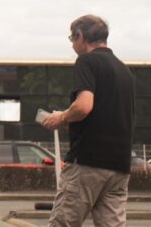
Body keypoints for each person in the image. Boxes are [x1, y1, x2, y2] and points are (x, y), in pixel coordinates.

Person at [41, 15, 135, 227]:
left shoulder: (87, 61)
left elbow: (84, 105)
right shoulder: (124, 70)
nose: (72, 44)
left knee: (63, 223)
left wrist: (61, 118)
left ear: (81, 36)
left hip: (88, 162)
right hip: (119, 165)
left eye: (72, 39)